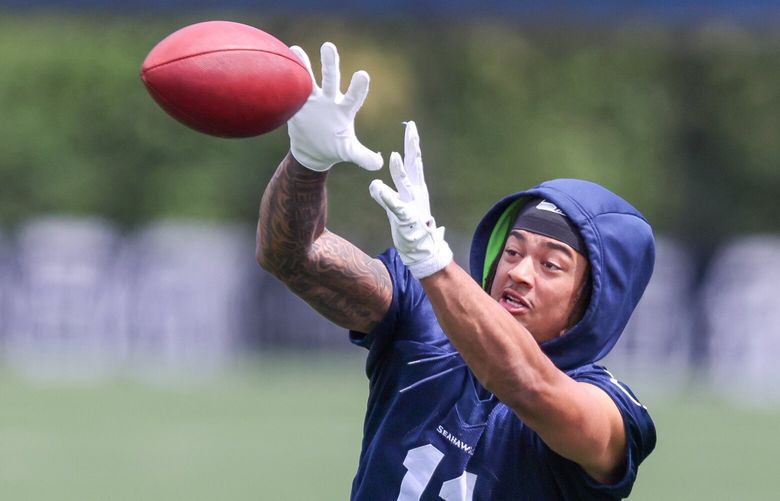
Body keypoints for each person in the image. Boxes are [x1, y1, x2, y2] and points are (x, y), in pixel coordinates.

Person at [257, 42, 656, 500]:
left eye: (550, 265)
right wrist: (307, 163)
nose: (520, 273)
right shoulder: (424, 317)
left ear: (592, 304)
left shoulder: (612, 411)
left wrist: (432, 261)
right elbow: (292, 256)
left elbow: (526, 386)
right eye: (512, 252)